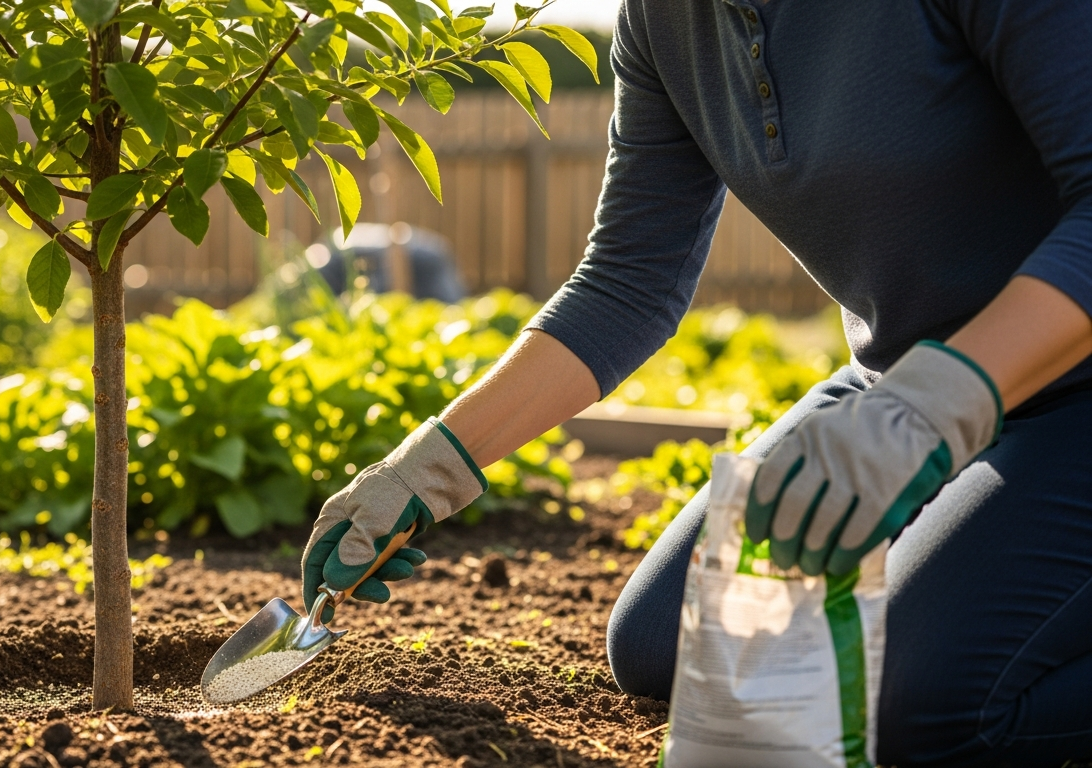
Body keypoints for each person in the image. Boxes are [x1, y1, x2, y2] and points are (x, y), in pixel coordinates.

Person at [300, 1, 1092, 766]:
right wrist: (425, 468)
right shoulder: (661, 21)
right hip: (898, 386)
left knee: (923, 704)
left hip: (1066, 390)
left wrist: (932, 405)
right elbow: (627, 284)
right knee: (662, 643)